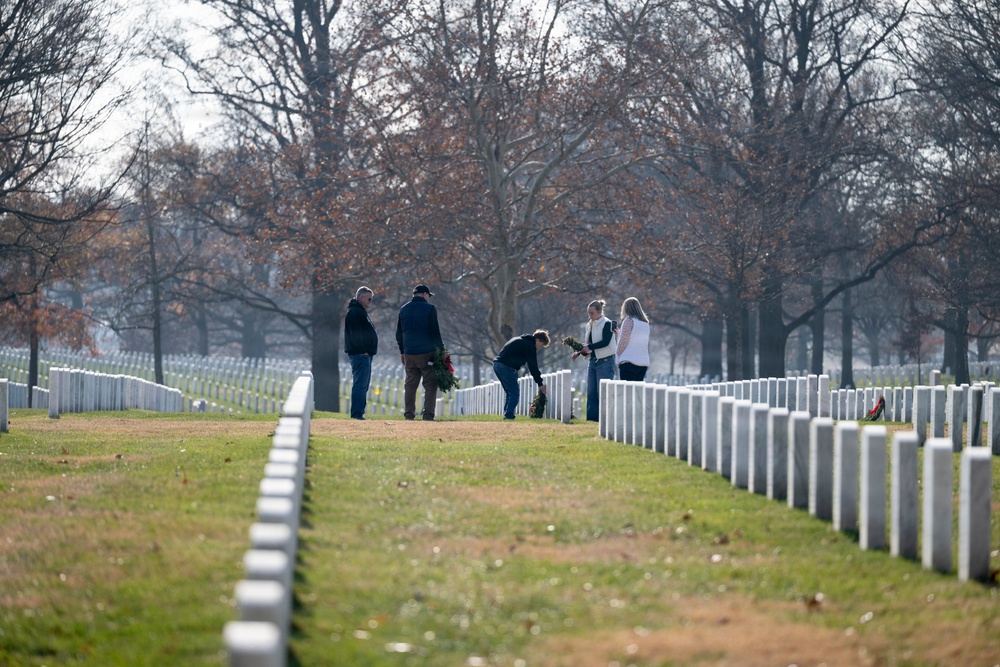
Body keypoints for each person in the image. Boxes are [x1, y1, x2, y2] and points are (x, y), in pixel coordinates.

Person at [395, 283, 444, 421]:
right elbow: (435, 332)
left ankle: (409, 414)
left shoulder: (403, 309)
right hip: (427, 352)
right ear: (424, 294)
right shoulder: (430, 309)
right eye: (429, 295)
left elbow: (399, 333)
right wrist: (441, 351)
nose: (429, 298)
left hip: (409, 352)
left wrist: (402, 351)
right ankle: (428, 415)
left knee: (410, 385)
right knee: (430, 384)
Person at [493, 330, 550, 420]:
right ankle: (508, 416)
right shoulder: (530, 345)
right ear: (538, 340)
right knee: (514, 393)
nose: (539, 348)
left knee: (510, 392)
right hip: (506, 367)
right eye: (541, 345)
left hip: (497, 364)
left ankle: (507, 414)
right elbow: (533, 366)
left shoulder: (520, 339)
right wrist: (540, 384)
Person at [576, 299, 616, 422]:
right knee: (592, 392)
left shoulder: (607, 324)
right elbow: (588, 343)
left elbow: (605, 341)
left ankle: (604, 420)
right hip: (593, 361)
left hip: (605, 361)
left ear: (599, 312)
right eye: (588, 313)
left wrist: (589, 347)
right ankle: (592, 420)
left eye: (592, 313)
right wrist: (579, 352)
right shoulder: (589, 324)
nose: (590, 315)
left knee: (602, 393)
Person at [344, 286, 378, 420]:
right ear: (361, 297)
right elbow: (356, 334)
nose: (371, 301)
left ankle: (359, 413)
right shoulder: (355, 312)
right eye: (369, 299)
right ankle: (357, 414)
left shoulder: (360, 311)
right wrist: (363, 350)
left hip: (364, 355)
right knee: (360, 385)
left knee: (363, 385)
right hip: (360, 355)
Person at [616, 297, 650, 382]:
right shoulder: (645, 323)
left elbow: (624, 341)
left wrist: (618, 354)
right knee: (637, 393)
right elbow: (635, 338)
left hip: (629, 361)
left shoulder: (629, 320)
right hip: (643, 362)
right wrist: (619, 333)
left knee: (627, 392)